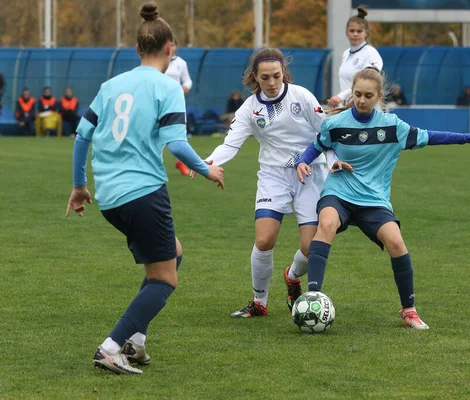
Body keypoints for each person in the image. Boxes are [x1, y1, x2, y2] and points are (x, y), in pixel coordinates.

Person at [65, 2, 224, 375]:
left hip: (110, 197)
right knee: (165, 278)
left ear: (138, 49)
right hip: (143, 193)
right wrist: (208, 169)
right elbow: (177, 144)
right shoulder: (167, 87)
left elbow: (81, 137)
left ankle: (136, 340)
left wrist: (78, 186)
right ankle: (111, 346)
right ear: (171, 48)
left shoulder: (110, 86)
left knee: (174, 253)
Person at [296, 68, 470, 330]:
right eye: (357, 94)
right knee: (326, 225)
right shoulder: (336, 124)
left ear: (379, 96)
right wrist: (302, 162)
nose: (361, 100)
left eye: (368, 95)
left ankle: (409, 310)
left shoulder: (392, 126)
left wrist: (468, 138)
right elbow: (317, 146)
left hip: (374, 200)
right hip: (339, 192)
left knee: (396, 241)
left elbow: (430, 136)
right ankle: (314, 297)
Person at [198, 47, 328, 318]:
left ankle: (292, 277)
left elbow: (325, 133)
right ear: (254, 77)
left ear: (284, 73)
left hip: (310, 172)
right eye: (264, 77)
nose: (271, 83)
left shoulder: (302, 96)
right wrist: (207, 162)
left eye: (276, 76)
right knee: (265, 239)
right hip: (273, 175)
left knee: (309, 247)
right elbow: (230, 144)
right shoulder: (249, 108)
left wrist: (333, 159)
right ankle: (260, 302)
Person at [327, 5, 383, 109]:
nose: (355, 34)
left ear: (366, 33)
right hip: (348, 107)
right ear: (346, 32)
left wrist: (340, 96)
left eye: (359, 31)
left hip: (366, 109)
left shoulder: (371, 53)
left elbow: (368, 82)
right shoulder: (346, 53)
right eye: (352, 31)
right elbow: (346, 85)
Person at [165, 37, 194, 175]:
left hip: (176, 101)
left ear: (176, 46)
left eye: (173, 45)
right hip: (160, 100)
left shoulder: (181, 63)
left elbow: (188, 80)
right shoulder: (158, 62)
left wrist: (185, 87)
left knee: (179, 130)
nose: (170, 47)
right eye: (168, 44)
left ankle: (180, 162)